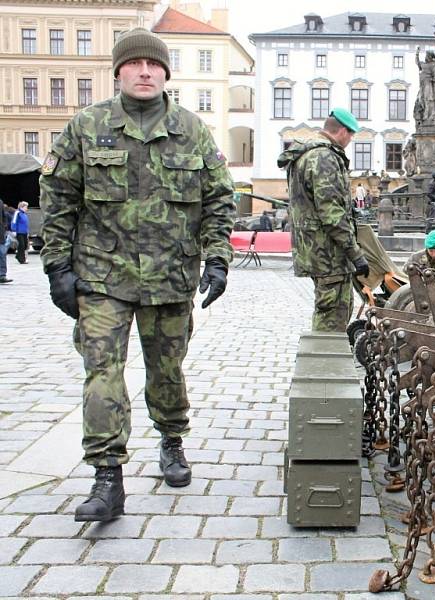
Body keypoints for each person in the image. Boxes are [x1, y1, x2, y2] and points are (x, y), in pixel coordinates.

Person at [39, 28, 236, 522]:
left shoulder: (191, 129)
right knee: (101, 373)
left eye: (154, 65)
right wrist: (57, 267)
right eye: (135, 64)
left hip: (171, 277)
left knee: (166, 371)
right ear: (119, 71)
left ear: (166, 73)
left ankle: (172, 441)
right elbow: (59, 200)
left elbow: (218, 200)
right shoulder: (87, 126)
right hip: (102, 277)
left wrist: (217, 258)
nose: (145, 72)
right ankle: (108, 477)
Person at [277, 107, 369, 332]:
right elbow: (332, 213)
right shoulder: (325, 157)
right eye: (351, 135)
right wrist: (355, 254)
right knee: (331, 316)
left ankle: (326, 361)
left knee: (333, 309)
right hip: (328, 254)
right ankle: (323, 365)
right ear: (343, 132)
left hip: (316, 249)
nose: (350, 140)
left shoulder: (308, 153)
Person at [0, 197, 12, 284]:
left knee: (2, 254)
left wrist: (4, 227)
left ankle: (2, 275)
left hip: (0, 234)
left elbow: (4, 216)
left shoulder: (0, 202)